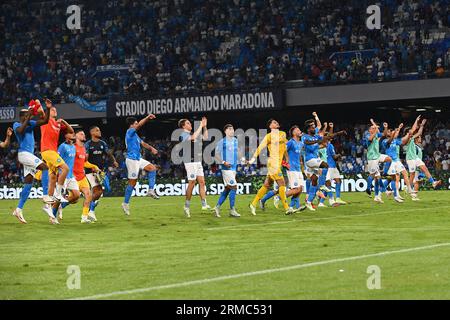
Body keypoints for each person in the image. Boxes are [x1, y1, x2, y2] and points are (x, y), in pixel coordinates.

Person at [11, 105, 50, 223]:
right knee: (45, 167)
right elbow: (21, 131)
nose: (30, 117)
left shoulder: (31, 123)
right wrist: (28, 116)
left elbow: (45, 121)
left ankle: (18, 209)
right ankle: (45, 194)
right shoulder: (16, 125)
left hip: (29, 155)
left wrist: (47, 108)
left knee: (29, 182)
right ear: (22, 116)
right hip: (24, 154)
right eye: (27, 115)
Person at [248, 118, 294, 215]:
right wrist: (252, 159)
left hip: (278, 163)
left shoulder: (283, 133)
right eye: (273, 122)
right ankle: (287, 208)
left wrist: (286, 158)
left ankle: (253, 203)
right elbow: (260, 148)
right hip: (273, 163)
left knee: (267, 185)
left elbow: (284, 147)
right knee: (282, 184)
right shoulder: (268, 136)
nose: (276, 122)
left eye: (276, 122)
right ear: (270, 126)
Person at [259, 125, 307, 213]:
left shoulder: (300, 143)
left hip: (297, 169)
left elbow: (299, 156)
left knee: (299, 189)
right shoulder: (290, 142)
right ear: (293, 133)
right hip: (290, 168)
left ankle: (291, 206)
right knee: (293, 189)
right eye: (297, 129)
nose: (300, 131)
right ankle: (279, 197)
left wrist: (302, 168)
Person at [122, 115, 159, 216]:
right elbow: (139, 126)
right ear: (132, 124)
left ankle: (151, 190)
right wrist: (147, 118)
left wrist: (152, 148)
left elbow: (143, 143)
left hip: (138, 159)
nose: (137, 124)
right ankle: (125, 203)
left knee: (152, 168)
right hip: (132, 160)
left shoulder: (135, 135)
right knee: (132, 183)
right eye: (136, 123)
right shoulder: (129, 131)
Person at [40, 99, 73, 202]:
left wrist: (63, 121)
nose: (54, 111)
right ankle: (58, 193)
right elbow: (41, 111)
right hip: (47, 151)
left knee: (53, 177)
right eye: (52, 110)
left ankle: (48, 202)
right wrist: (48, 107)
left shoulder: (57, 124)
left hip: (52, 152)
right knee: (66, 169)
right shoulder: (45, 121)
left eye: (55, 110)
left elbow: (71, 131)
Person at [178, 117, 210, 218]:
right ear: (183, 126)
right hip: (190, 161)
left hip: (197, 161)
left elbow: (205, 137)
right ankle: (186, 206)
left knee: (202, 182)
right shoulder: (183, 134)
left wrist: (204, 127)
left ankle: (204, 204)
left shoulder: (193, 134)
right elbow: (192, 138)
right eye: (188, 123)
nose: (190, 124)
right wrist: (200, 125)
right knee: (192, 182)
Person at [85, 126, 119, 218]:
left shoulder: (102, 143)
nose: (99, 131)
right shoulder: (88, 144)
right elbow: (85, 158)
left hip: (101, 171)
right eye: (97, 130)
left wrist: (114, 161)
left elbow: (108, 153)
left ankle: (92, 203)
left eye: (99, 130)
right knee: (98, 191)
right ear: (92, 133)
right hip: (90, 172)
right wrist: (91, 166)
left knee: (107, 188)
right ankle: (90, 211)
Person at [212, 124, 243, 218]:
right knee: (234, 187)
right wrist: (223, 162)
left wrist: (243, 159)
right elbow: (216, 155)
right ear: (225, 131)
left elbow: (237, 151)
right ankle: (232, 210)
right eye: (230, 129)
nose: (232, 130)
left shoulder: (235, 140)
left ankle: (217, 207)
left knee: (228, 188)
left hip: (234, 168)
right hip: (226, 169)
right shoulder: (222, 142)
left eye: (233, 129)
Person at [51, 131, 81, 223]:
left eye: (73, 133)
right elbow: (56, 159)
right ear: (66, 136)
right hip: (62, 176)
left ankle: (62, 206)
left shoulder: (74, 147)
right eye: (70, 133)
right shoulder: (62, 146)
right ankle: (52, 217)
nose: (73, 135)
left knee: (76, 195)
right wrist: (56, 173)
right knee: (58, 198)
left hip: (71, 176)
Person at [406, 118, 441, 191]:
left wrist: (422, 125)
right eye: (410, 131)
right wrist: (416, 120)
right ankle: (409, 188)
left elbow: (419, 133)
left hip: (416, 158)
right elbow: (414, 129)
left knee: (425, 169)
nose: (411, 132)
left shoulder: (413, 139)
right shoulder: (408, 139)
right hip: (410, 159)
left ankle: (433, 182)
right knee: (412, 175)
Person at [73, 130, 100, 223]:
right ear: (75, 136)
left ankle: (84, 217)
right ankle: (56, 209)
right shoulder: (72, 148)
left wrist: (93, 166)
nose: (83, 135)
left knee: (88, 195)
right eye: (81, 134)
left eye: (84, 134)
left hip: (82, 177)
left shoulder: (83, 148)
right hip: (73, 178)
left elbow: (84, 163)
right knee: (72, 199)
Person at [363, 119, 392, 203]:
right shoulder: (368, 135)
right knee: (374, 176)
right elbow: (370, 139)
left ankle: (385, 173)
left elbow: (384, 134)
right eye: (372, 128)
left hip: (377, 155)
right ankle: (369, 188)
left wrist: (385, 127)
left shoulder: (376, 134)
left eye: (374, 128)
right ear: (369, 130)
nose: (374, 129)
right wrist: (375, 129)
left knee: (389, 159)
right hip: (372, 158)